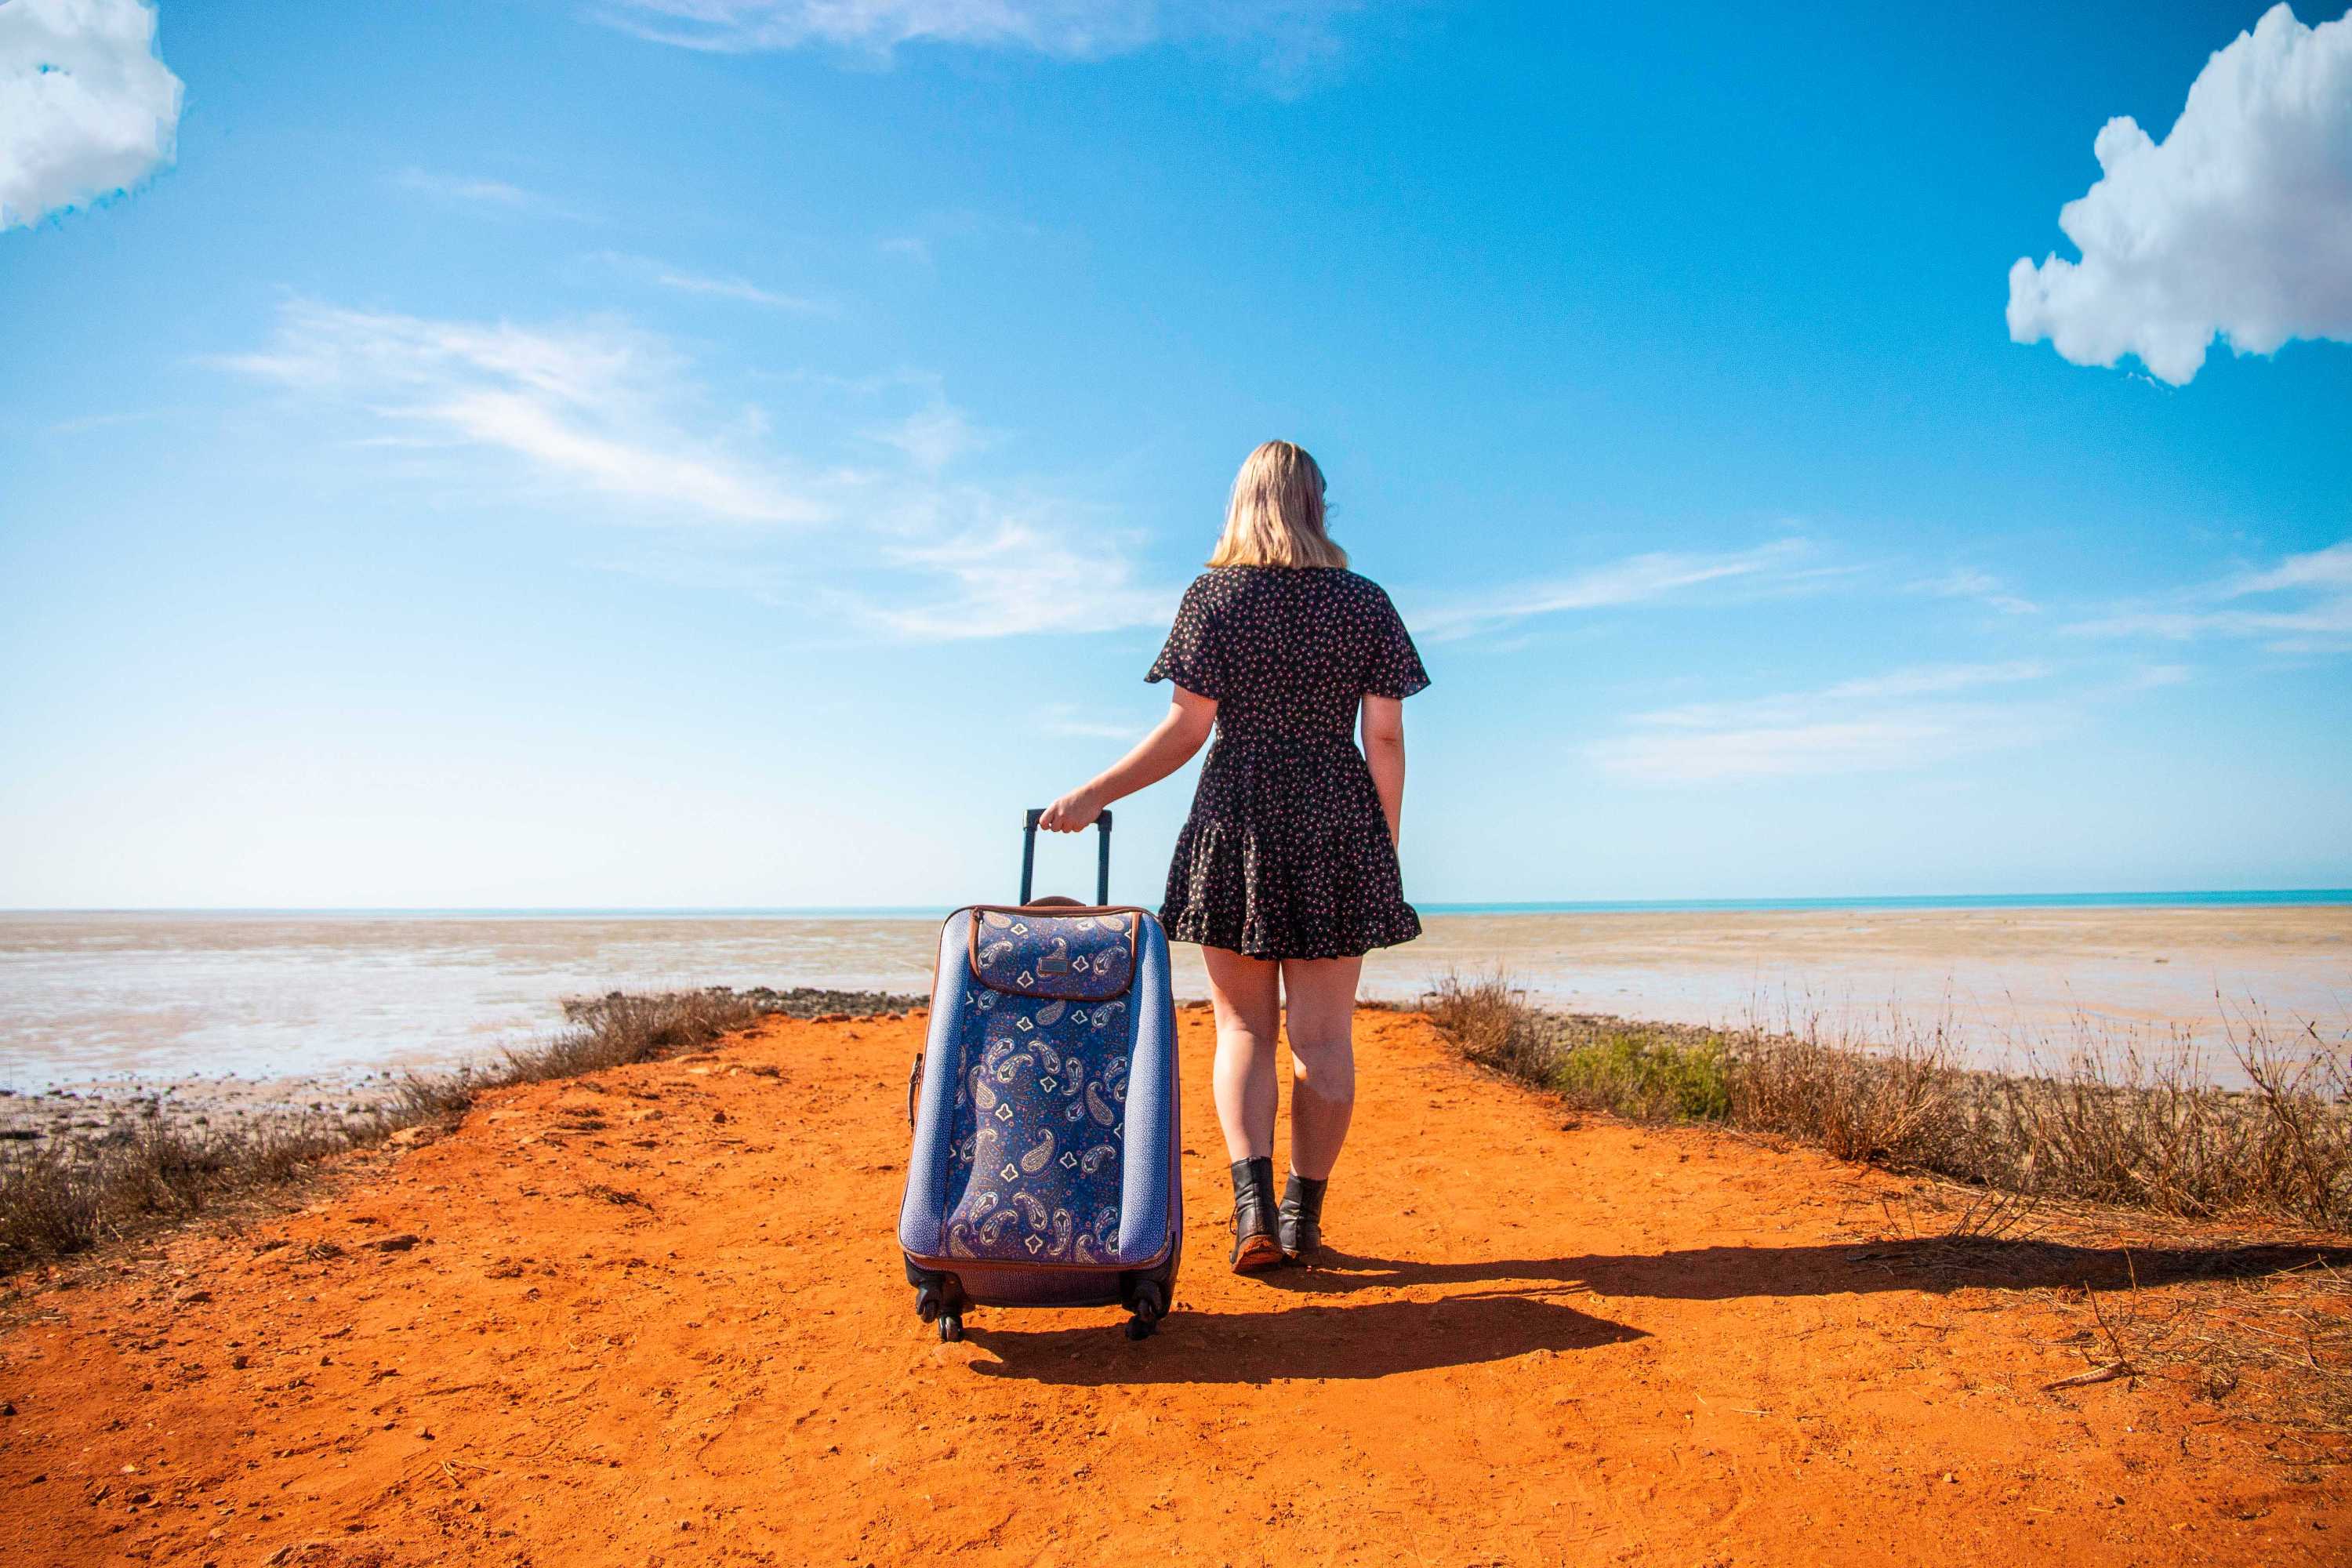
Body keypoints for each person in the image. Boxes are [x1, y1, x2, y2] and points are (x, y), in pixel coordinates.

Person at [1040, 440, 1429, 1272]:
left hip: (1237, 815)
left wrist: (1095, 792)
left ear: (1242, 501)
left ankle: (1251, 1211)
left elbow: (1187, 729)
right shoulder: (1366, 603)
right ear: (1316, 504)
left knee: (1244, 1029)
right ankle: (1303, 1219)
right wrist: (1380, 846)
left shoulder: (1213, 596)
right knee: (1323, 1039)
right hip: (1336, 816)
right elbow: (1386, 736)